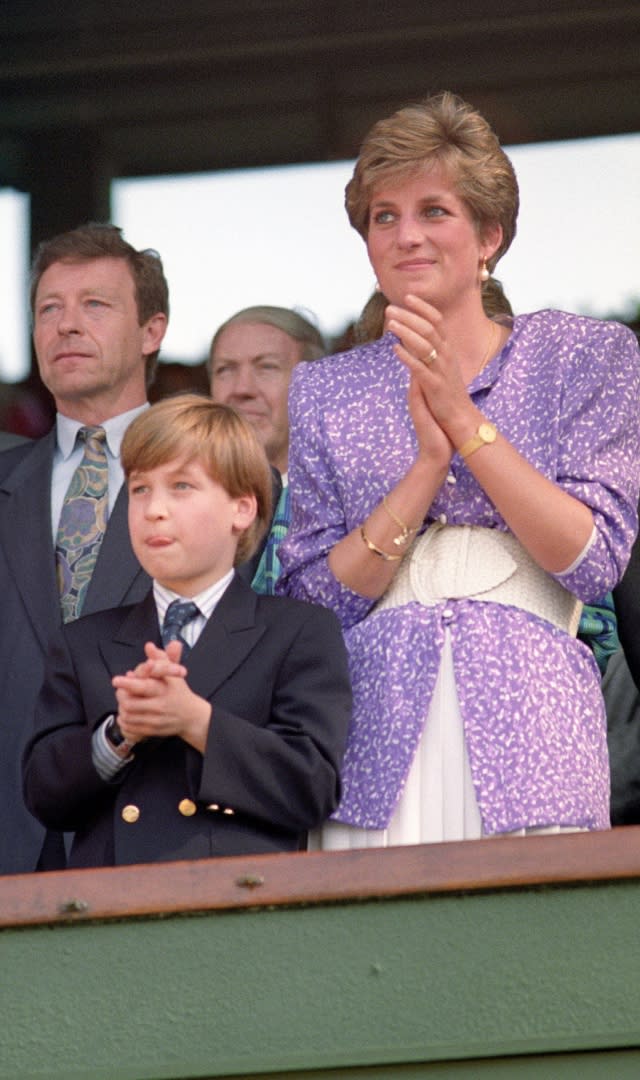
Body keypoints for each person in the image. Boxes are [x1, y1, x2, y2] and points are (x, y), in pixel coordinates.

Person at [277, 91, 640, 849]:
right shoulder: (325, 389)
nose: (406, 235)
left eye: (434, 211)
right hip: (373, 737)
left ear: (490, 237)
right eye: (384, 216)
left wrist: (462, 418)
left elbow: (592, 556)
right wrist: (425, 468)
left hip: (537, 737)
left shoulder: (585, 356)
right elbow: (314, 602)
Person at [22, 395, 351, 868]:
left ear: (241, 509)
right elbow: (43, 796)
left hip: (240, 907)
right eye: (138, 489)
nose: (154, 509)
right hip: (110, 915)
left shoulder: (299, 631)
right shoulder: (83, 642)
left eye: (181, 487)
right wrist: (118, 734)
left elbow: (312, 786)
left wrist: (195, 721)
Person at [0, 222, 169, 875]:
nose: (67, 325)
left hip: (153, 836)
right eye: (49, 308)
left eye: (94, 305)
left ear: (152, 331)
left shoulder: (227, 484)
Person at [209, 305, 326, 594]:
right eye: (225, 370)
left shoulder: (342, 499)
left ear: (314, 385)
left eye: (267, 367)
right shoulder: (183, 500)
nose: (242, 389)